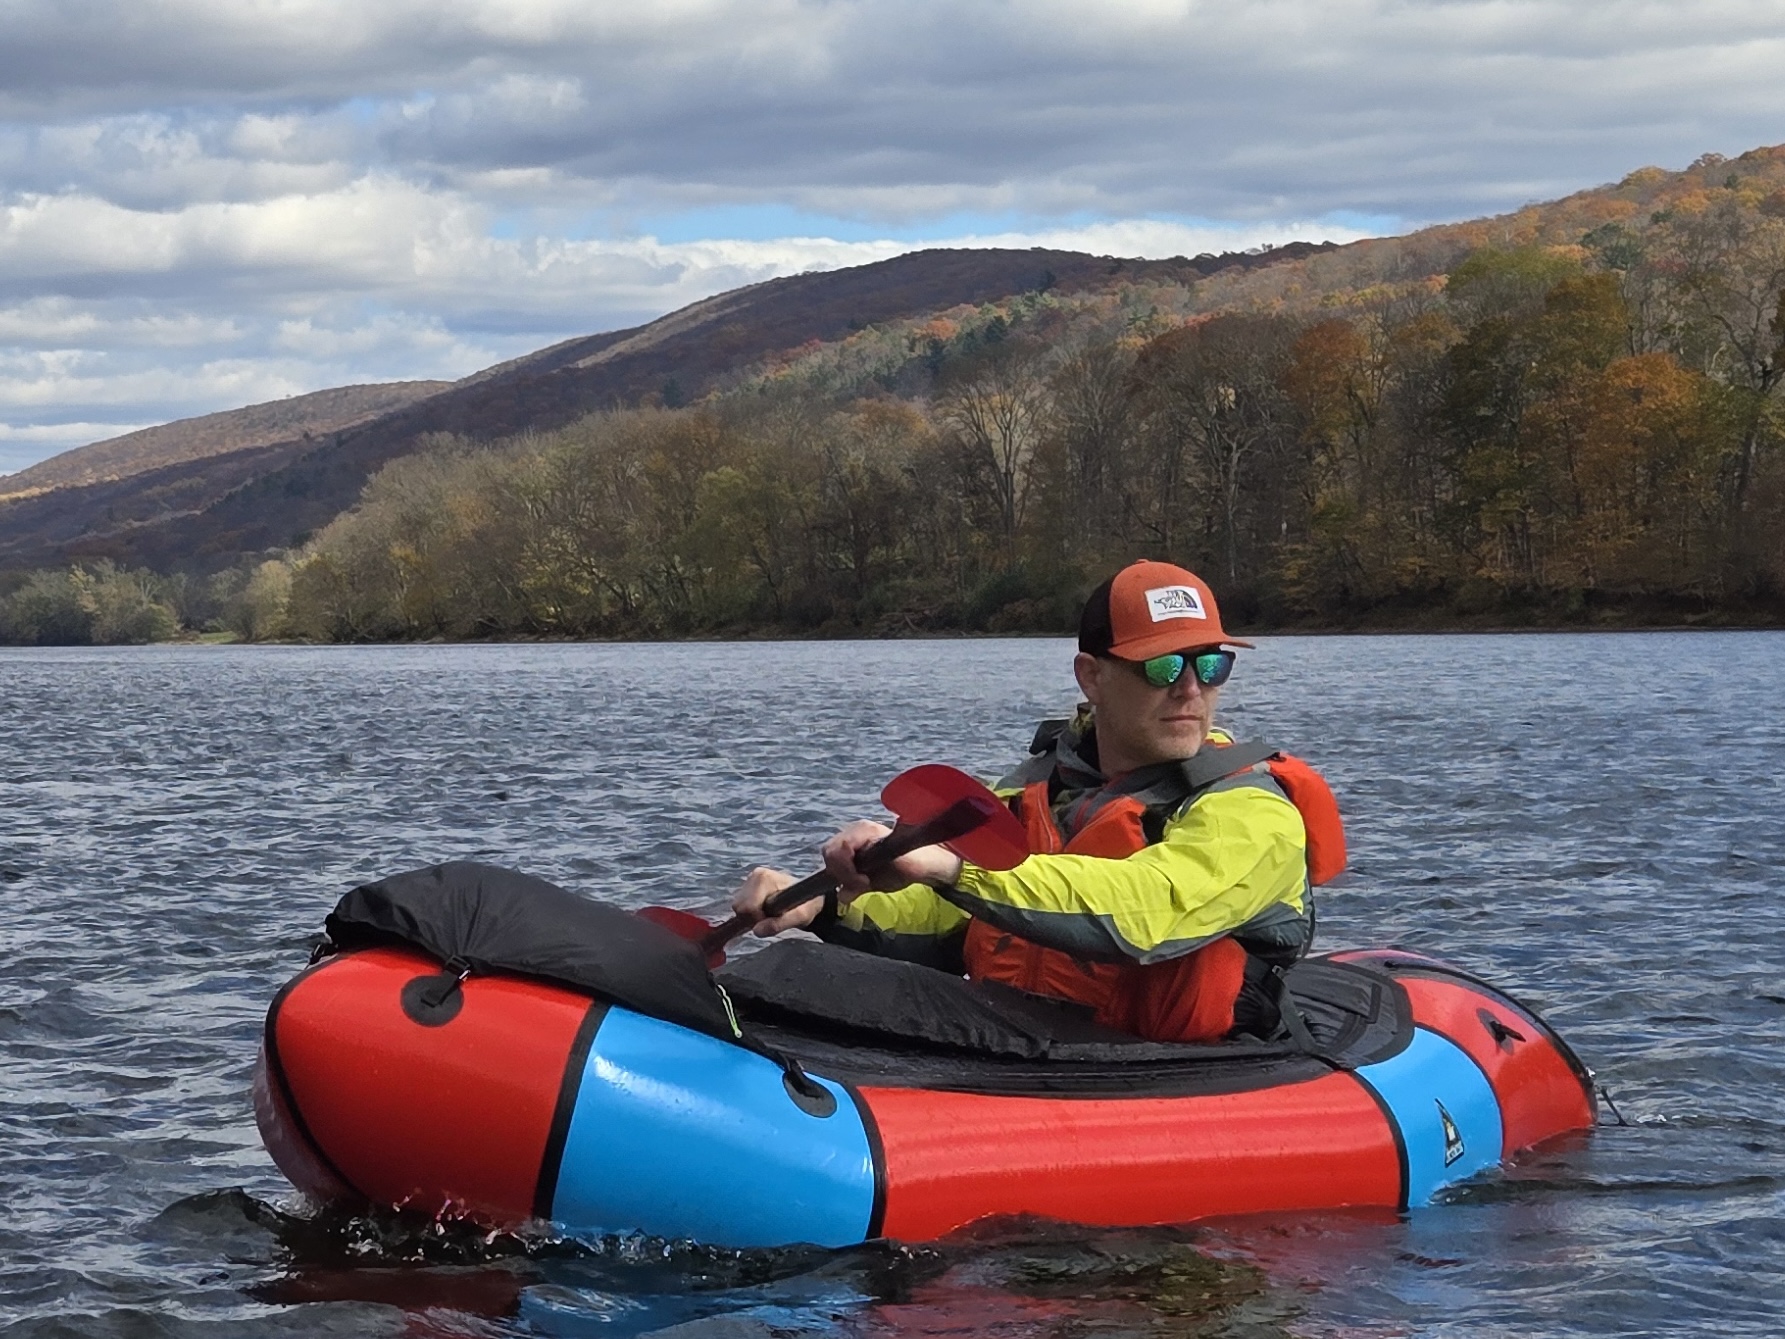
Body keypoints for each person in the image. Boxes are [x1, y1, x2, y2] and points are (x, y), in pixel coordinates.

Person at [730, 560, 1323, 1043]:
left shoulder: (1253, 812)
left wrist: (956, 868)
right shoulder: (1033, 790)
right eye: (1162, 665)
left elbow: (1148, 909)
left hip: (1182, 1069)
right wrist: (829, 908)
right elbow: (947, 920)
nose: (1190, 688)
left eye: (1212, 664)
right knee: (800, 974)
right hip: (1037, 1045)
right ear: (1091, 676)